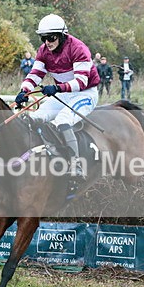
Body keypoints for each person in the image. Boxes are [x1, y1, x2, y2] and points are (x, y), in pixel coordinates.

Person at [14, 13, 100, 183]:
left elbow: (81, 82)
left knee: (62, 120)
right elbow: (35, 74)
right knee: (34, 118)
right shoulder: (43, 51)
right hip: (63, 94)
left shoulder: (78, 48)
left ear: (62, 35)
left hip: (85, 93)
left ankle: (75, 164)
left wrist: (56, 88)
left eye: (51, 37)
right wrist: (24, 91)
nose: (47, 42)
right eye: (43, 38)